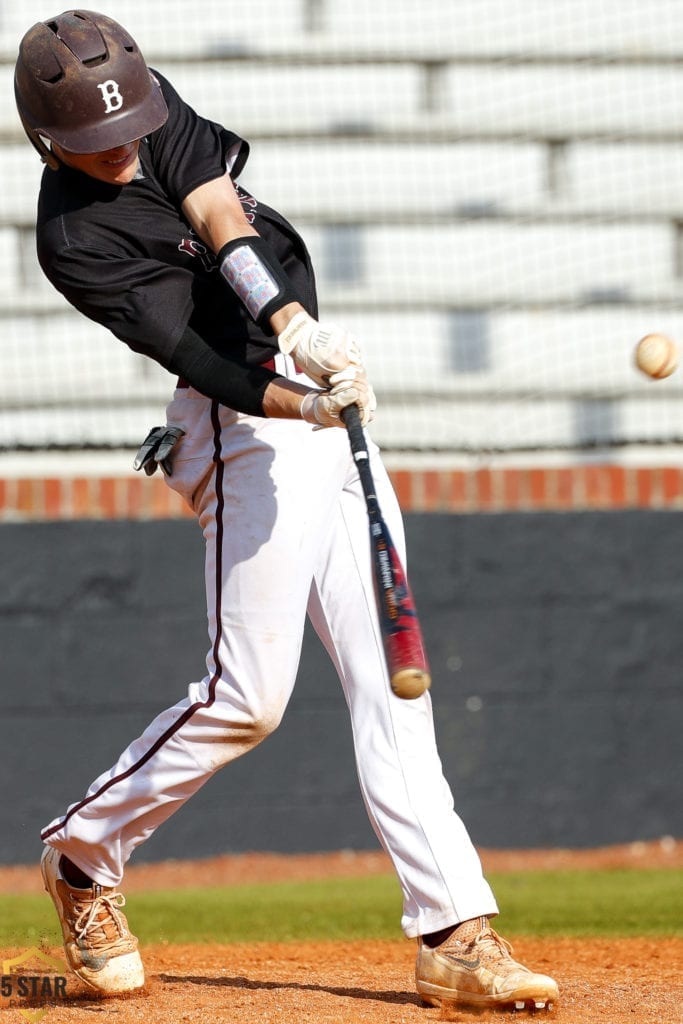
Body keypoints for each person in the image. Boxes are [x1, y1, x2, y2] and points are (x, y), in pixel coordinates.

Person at [15, 10, 559, 1012]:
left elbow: (220, 211)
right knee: (247, 699)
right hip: (238, 424)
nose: (126, 143)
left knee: (391, 684)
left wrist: (294, 322)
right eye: (100, 140)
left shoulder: (145, 101)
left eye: (132, 121)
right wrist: (301, 397)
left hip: (304, 382)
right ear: (51, 142)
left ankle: (452, 931)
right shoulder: (73, 242)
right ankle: (82, 853)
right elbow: (206, 364)